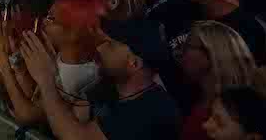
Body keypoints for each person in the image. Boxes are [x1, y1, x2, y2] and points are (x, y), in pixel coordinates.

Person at [18, 18, 181, 140]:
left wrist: (45, 79)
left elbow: (74, 135)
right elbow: (71, 115)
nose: (100, 48)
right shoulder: (110, 86)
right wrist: (53, 73)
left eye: (110, 45)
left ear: (134, 63)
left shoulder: (150, 111)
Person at [176, 22, 258, 140]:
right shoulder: (192, 96)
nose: (180, 52)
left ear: (211, 54)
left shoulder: (235, 115)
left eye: (187, 47)